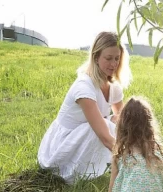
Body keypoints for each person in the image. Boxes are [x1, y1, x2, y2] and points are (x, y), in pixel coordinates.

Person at [37, 31, 132, 184]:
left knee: (117, 120)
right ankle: (76, 173)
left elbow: (125, 123)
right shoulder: (84, 87)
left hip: (83, 135)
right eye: (108, 58)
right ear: (96, 57)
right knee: (105, 126)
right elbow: (105, 137)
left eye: (117, 58)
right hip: (60, 149)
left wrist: (141, 147)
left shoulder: (113, 87)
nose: (114, 64)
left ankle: (101, 165)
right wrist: (131, 159)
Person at [108, 96, 163, 192]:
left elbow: (112, 189)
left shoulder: (121, 156)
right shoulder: (158, 155)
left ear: (122, 126)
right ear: (149, 126)